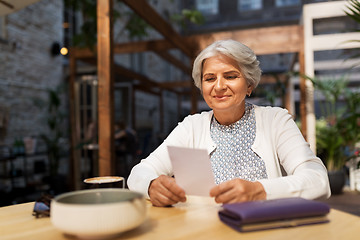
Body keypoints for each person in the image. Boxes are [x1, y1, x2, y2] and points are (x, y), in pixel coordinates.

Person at [127, 39, 331, 207]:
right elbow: (139, 172)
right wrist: (151, 185)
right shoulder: (191, 127)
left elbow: (318, 181)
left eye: (230, 76)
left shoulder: (275, 120)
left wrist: (259, 191)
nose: (219, 86)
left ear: (249, 84)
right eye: (209, 78)